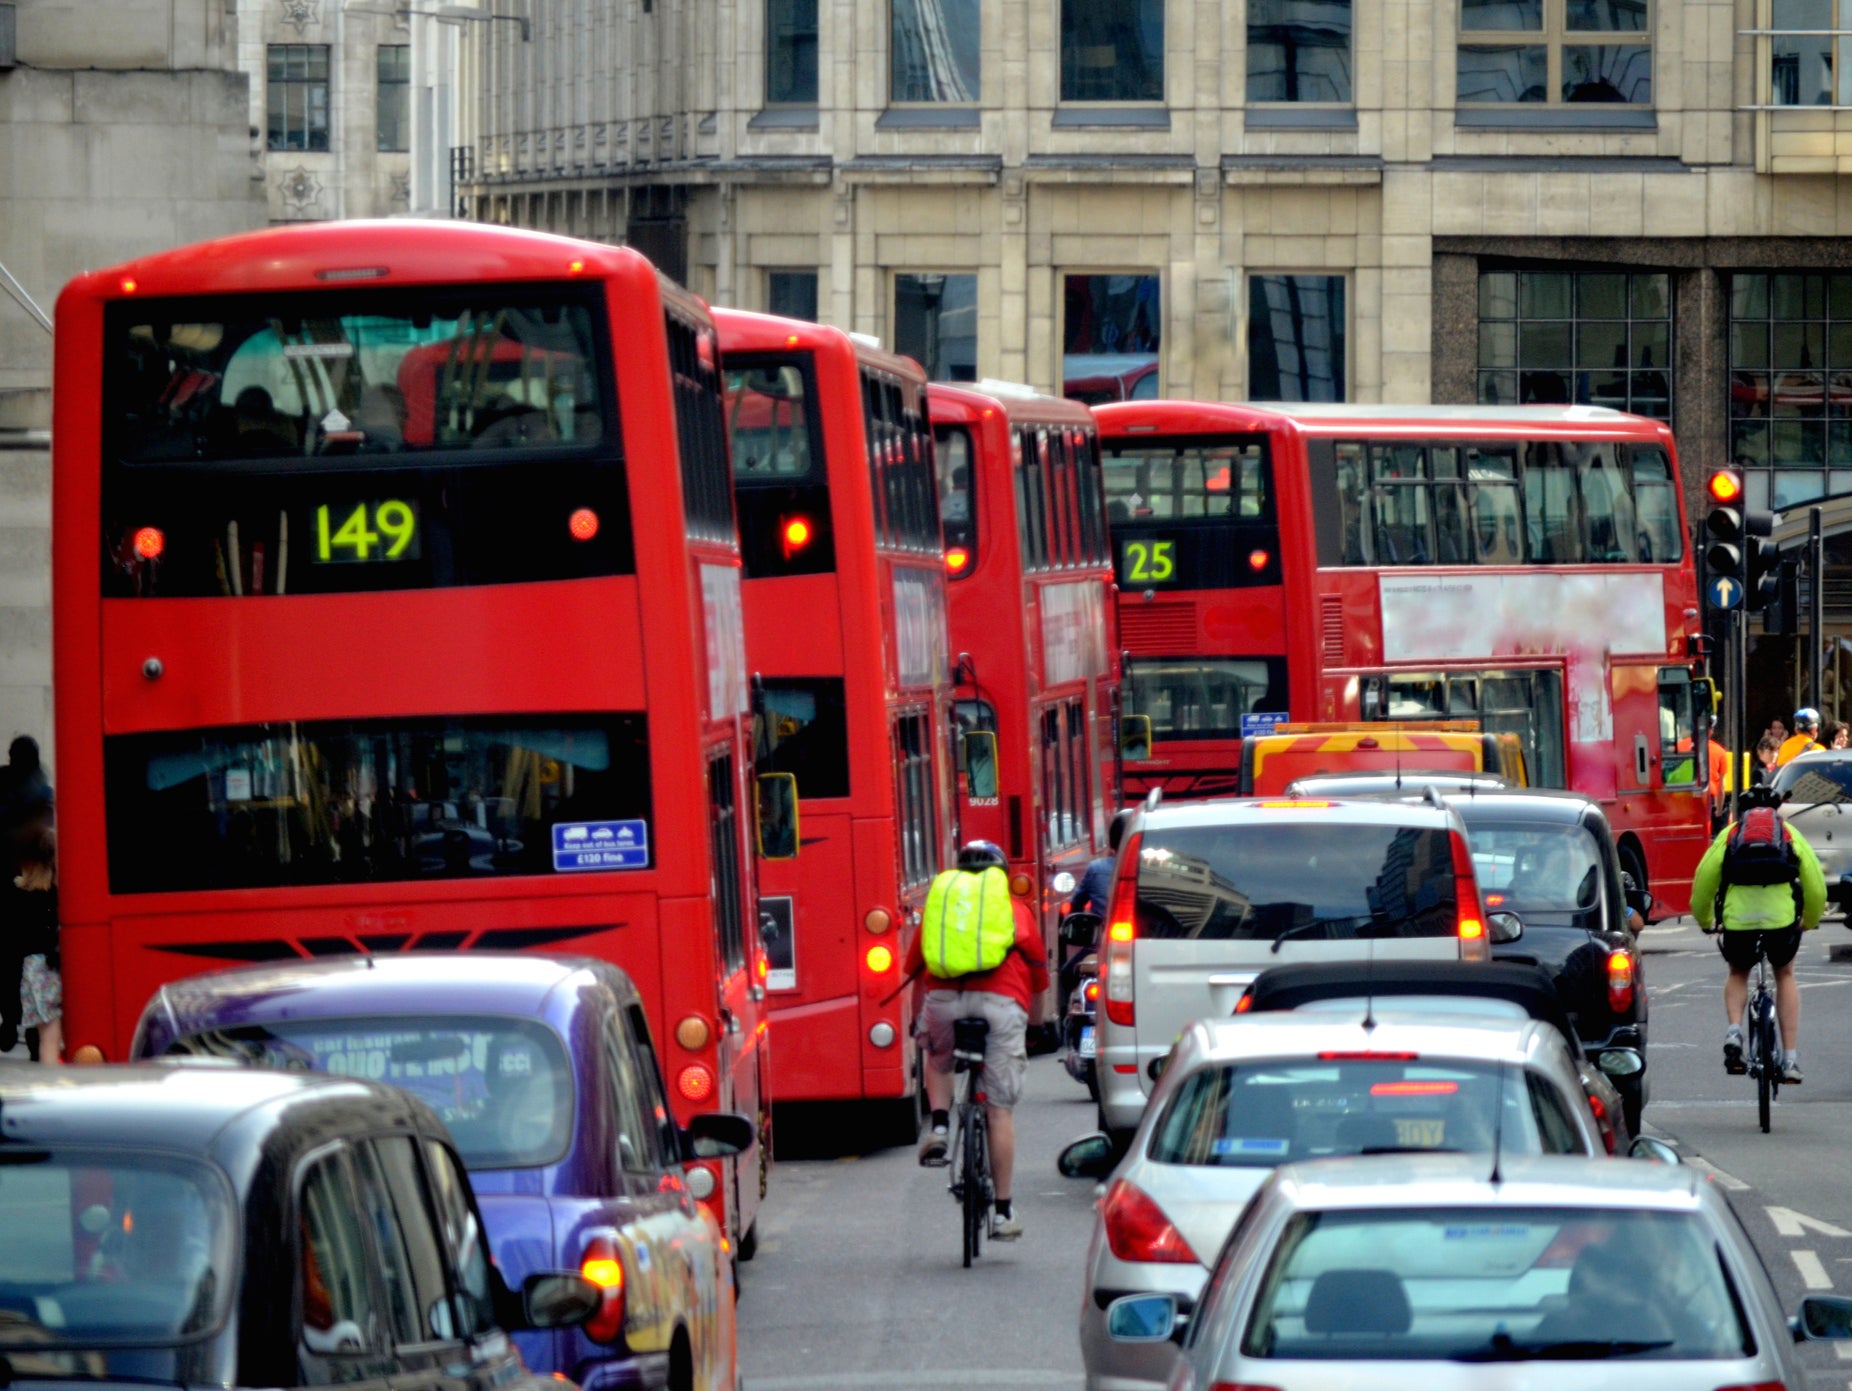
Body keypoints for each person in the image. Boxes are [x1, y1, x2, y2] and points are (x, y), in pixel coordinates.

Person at [907, 839, 1049, 1241]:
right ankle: (1003, 1212)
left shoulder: (938, 909)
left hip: (943, 1001)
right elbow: (1038, 976)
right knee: (999, 1110)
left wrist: (922, 1024)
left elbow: (919, 970)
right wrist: (1036, 1027)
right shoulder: (1014, 910)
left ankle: (937, 1127)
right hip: (1001, 1004)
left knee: (938, 1060)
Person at [1691, 786, 1825, 1084]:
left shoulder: (1731, 835)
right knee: (1785, 975)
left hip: (1738, 921)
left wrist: (1706, 920)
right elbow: (1815, 884)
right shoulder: (1788, 833)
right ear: (1776, 811)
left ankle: (1734, 1032)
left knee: (1739, 972)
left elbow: (1703, 880)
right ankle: (1790, 1059)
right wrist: (1810, 920)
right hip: (1781, 919)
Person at [2, 829, 61, 1064]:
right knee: (53, 1032)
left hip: (30, 972)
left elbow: (8, 949)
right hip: (53, 967)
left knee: (45, 1033)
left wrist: (8, 1018)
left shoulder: (14, 895)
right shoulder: (60, 895)